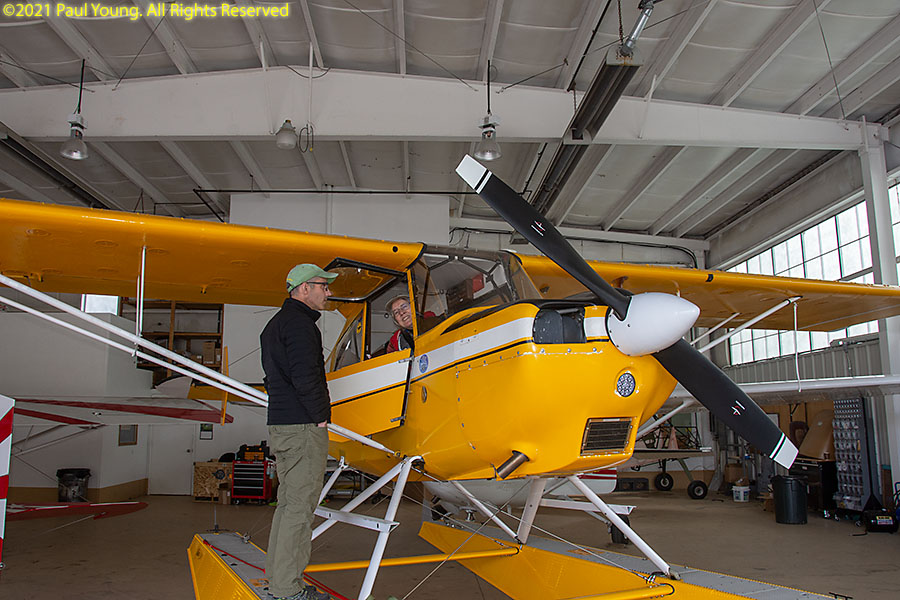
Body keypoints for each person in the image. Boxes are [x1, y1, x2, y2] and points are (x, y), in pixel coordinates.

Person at [260, 263, 337, 600]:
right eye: (323, 286)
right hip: (303, 426)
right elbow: (306, 376)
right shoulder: (301, 325)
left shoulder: (274, 325)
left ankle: (278, 579)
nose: (328, 292)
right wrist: (320, 417)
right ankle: (288, 590)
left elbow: (272, 378)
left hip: (281, 424)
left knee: (288, 505)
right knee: (300, 509)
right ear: (305, 288)